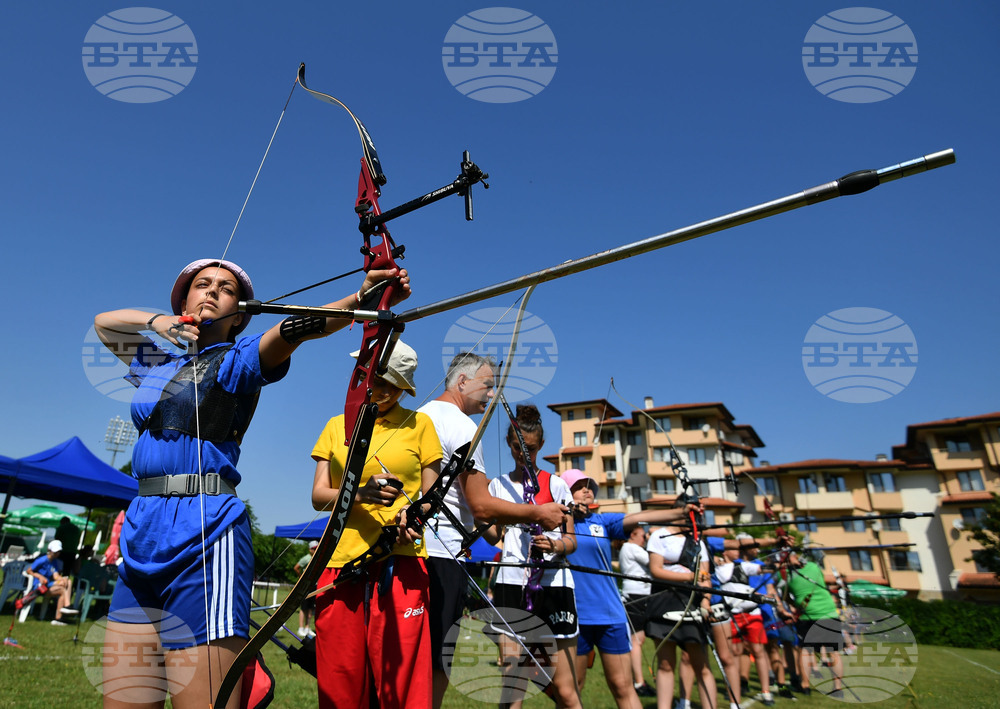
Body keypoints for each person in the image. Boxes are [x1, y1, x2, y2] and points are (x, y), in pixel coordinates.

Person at [94, 258, 409, 709]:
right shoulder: (156, 365)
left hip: (205, 534)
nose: (211, 291)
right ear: (183, 300)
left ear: (240, 314)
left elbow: (298, 328)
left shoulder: (237, 360)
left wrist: (361, 299)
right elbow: (104, 323)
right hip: (143, 530)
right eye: (201, 284)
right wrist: (158, 322)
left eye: (226, 289)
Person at [417, 353, 569, 709]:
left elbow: (479, 516)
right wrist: (538, 512)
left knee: (411, 654)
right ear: (462, 382)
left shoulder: (417, 416)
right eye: (487, 386)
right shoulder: (463, 427)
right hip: (442, 557)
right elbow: (482, 506)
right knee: (437, 662)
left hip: (412, 550)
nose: (491, 395)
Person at [311, 340, 441, 709]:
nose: (380, 390)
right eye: (374, 379)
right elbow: (319, 496)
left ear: (404, 390)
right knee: (340, 681)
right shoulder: (336, 425)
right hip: (340, 561)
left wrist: (413, 516)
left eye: (392, 384)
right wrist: (360, 494)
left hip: (400, 558)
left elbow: (432, 496)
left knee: (403, 685)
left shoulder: (420, 424)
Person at [565, 470, 703, 709]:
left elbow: (641, 516)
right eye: (579, 486)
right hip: (575, 616)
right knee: (571, 690)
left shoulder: (602, 522)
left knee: (623, 687)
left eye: (590, 486)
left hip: (611, 615)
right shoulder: (555, 524)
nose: (587, 490)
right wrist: (565, 512)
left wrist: (682, 512)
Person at [487, 403, 580, 709]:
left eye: (530, 448)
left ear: (541, 445)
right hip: (512, 583)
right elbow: (493, 536)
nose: (523, 454)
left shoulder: (557, 484)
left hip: (554, 585)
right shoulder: (498, 485)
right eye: (517, 447)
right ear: (508, 443)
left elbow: (571, 541)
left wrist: (554, 547)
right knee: (512, 685)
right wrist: (477, 513)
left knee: (565, 690)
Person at [645, 499, 714, 709]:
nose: (692, 518)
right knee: (665, 664)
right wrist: (691, 577)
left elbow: (706, 577)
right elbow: (656, 570)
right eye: (688, 513)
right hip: (664, 600)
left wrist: (706, 601)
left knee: (701, 665)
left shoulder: (697, 541)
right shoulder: (659, 535)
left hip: (692, 602)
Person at [783, 551, 844, 697]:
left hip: (807, 615)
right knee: (833, 651)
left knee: (806, 651)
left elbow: (785, 596)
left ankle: (805, 686)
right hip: (829, 612)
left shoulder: (785, 575)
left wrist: (795, 605)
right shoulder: (813, 566)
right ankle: (837, 688)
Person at [619, 524, 656, 698]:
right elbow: (654, 560)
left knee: (638, 639)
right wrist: (653, 539)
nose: (645, 539)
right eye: (643, 536)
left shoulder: (631, 548)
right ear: (633, 535)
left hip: (640, 595)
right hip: (635, 596)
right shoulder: (631, 547)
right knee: (636, 640)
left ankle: (638, 680)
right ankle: (638, 682)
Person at [28, 540, 78, 625]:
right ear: (49, 550)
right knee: (62, 590)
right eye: (55, 552)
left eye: (58, 552)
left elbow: (55, 575)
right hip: (39, 587)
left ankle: (63, 612)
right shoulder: (42, 560)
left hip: (48, 584)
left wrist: (62, 579)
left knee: (68, 581)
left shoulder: (54, 561)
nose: (57, 554)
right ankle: (64, 609)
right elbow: (29, 570)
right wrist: (39, 576)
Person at [294, 540, 318, 638]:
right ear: (310, 549)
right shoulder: (306, 558)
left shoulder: (317, 558)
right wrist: (301, 578)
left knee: (311, 608)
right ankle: (301, 628)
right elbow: (296, 567)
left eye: (317, 548)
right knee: (303, 608)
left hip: (314, 586)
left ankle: (307, 628)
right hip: (306, 586)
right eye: (313, 548)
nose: (315, 550)